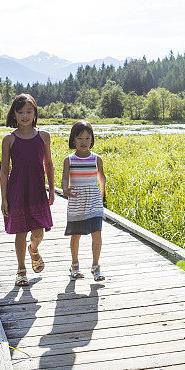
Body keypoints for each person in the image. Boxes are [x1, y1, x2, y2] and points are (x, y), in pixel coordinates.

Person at [0, 94, 55, 286]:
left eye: (29, 111)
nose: (25, 115)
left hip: (38, 191)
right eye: (20, 111)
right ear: (14, 114)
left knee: (39, 232)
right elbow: (5, 170)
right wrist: (4, 198)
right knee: (20, 232)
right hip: (17, 191)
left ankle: (34, 249)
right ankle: (21, 270)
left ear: (35, 113)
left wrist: (53, 189)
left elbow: (48, 163)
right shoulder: (9, 139)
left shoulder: (44, 136)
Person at [61, 120, 106, 281]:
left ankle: (96, 267)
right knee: (76, 235)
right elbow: (65, 179)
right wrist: (65, 190)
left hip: (94, 201)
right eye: (80, 138)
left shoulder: (96, 159)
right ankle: (75, 265)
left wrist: (100, 195)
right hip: (77, 201)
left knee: (97, 233)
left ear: (92, 140)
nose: (84, 142)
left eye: (87, 138)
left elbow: (102, 178)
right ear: (73, 140)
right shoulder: (69, 160)